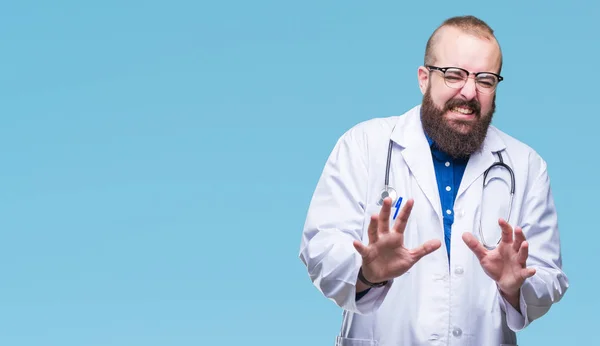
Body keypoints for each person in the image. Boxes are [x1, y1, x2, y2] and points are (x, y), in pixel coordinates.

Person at [298, 15, 568, 346]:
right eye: (454, 74)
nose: (469, 92)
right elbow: (319, 248)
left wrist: (514, 287)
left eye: (485, 80)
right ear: (424, 79)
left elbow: (548, 277)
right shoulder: (364, 145)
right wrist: (368, 272)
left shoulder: (527, 166)